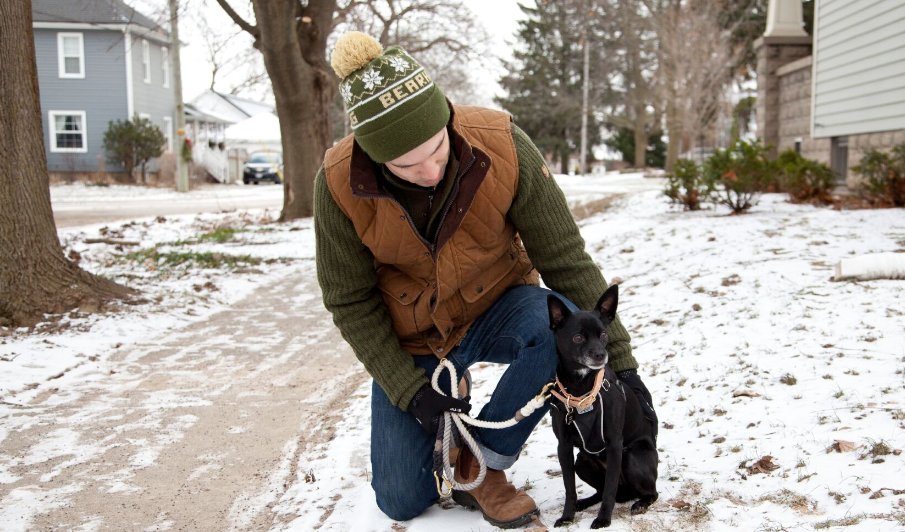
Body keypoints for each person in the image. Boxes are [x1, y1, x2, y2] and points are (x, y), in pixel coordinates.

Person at [314, 31, 656, 528]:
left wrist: (621, 365)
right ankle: (444, 426)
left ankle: (481, 465)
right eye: (407, 165)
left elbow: (565, 258)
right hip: (415, 335)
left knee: (552, 326)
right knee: (401, 499)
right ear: (374, 156)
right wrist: (410, 391)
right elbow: (348, 300)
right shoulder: (339, 183)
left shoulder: (502, 144)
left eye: (436, 149)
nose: (430, 170)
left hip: (499, 307)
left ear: (447, 119)